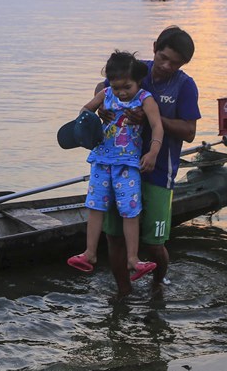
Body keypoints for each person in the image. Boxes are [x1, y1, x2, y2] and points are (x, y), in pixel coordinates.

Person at [100, 26, 201, 298]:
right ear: (155, 47)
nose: (166, 66)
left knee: (154, 242)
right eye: (163, 57)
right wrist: (101, 107)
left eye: (175, 63)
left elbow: (189, 132)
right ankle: (123, 292)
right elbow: (103, 86)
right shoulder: (136, 71)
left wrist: (152, 116)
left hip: (158, 172)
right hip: (118, 167)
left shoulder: (184, 85)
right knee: (115, 235)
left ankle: (158, 283)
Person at [66, 50, 165, 282]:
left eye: (126, 87)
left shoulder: (145, 99)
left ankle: (133, 259)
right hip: (101, 161)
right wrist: (95, 114)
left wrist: (153, 152)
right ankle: (89, 253)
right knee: (95, 206)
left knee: (130, 210)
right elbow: (84, 111)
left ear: (137, 81)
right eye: (117, 86)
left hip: (128, 164)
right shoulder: (106, 94)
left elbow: (157, 126)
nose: (121, 92)